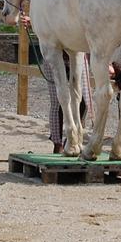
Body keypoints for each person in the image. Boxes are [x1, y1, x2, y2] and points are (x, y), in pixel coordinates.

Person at [21, 12, 93, 154]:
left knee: (84, 100)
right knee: (57, 101)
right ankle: (57, 142)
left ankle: (71, 138)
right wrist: (34, 21)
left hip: (77, 52)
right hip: (53, 53)